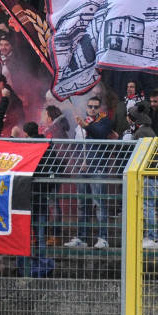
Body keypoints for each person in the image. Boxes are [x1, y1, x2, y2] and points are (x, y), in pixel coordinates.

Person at [64, 95, 114, 250]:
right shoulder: (80, 124)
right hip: (81, 168)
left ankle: (103, 238)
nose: (92, 109)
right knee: (82, 203)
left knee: (99, 203)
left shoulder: (104, 121)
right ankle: (81, 237)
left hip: (97, 168)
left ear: (100, 109)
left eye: (95, 107)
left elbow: (99, 133)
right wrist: (79, 162)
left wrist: (85, 125)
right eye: (90, 106)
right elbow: (76, 146)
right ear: (86, 107)